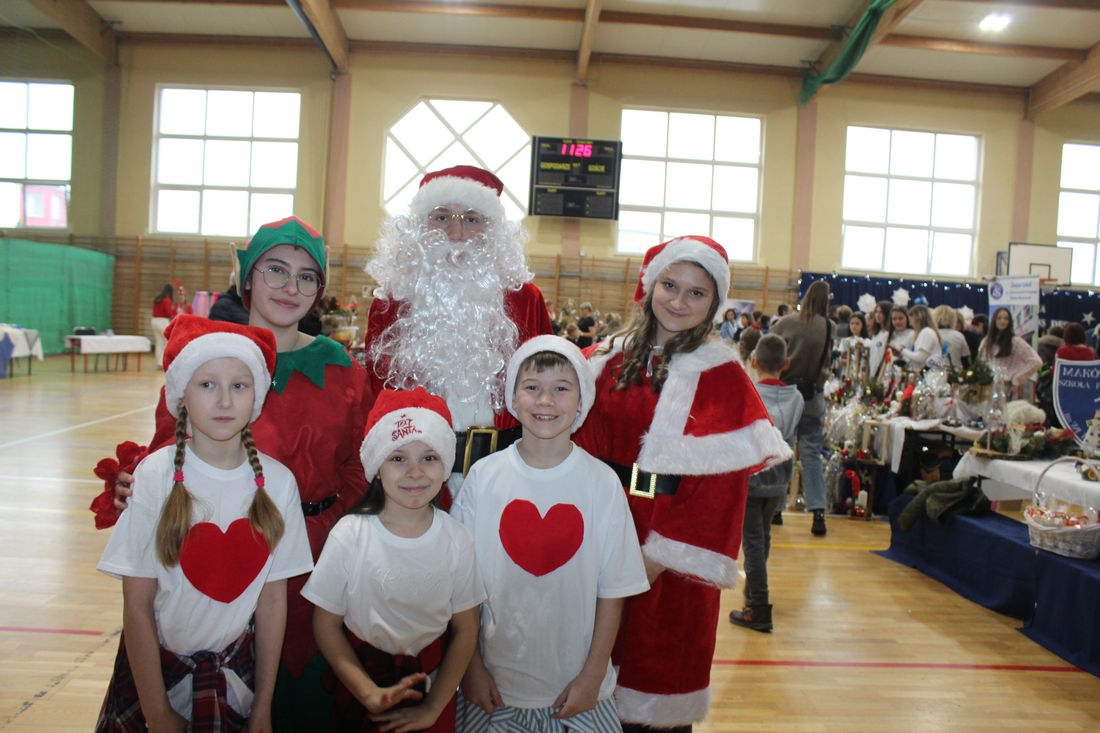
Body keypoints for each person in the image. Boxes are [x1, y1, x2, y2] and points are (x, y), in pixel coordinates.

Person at [91, 216, 376, 729]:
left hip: (317, 568)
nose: (291, 287)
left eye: (307, 276)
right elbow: (168, 450)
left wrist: (322, 533)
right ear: (246, 276)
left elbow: (361, 465)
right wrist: (132, 482)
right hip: (207, 583)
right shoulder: (212, 361)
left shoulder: (342, 368)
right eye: (276, 270)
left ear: (321, 290)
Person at [573, 236, 790, 731]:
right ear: (649, 287)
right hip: (597, 537)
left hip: (667, 563)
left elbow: (721, 495)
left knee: (654, 697)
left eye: (697, 293)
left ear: (714, 304)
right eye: (670, 285)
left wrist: (648, 563)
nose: (678, 301)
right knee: (585, 689)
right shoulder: (603, 359)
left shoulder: (724, 375)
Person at [96, 316, 313, 731]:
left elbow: (272, 603)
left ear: (257, 396)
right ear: (182, 396)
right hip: (153, 677)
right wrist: (158, 712)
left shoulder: (279, 484)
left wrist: (264, 708)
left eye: (239, 385)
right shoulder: (155, 477)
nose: (225, 402)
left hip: (236, 682)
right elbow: (137, 605)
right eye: (207, 384)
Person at [454, 335, 648, 732]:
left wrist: (593, 675)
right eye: (532, 388)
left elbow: (613, 592)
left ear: (582, 400)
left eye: (561, 389)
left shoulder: (602, 483)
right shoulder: (484, 477)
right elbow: (461, 585)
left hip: (578, 691)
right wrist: (470, 667)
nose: (545, 401)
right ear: (513, 396)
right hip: (493, 690)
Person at [304, 389, 483, 733]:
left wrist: (433, 708)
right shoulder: (350, 534)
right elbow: (325, 625)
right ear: (376, 466)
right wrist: (367, 692)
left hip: (435, 689)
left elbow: (465, 629)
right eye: (398, 459)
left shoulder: (457, 540)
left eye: (429, 458)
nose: (415, 473)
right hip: (360, 688)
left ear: (445, 463)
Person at [365, 165, 553, 493]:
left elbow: (547, 388)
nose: (456, 234)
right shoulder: (392, 300)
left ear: (491, 230)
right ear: (419, 228)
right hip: (412, 483)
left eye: (471, 219)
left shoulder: (525, 299)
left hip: (506, 475)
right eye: (441, 218)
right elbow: (373, 393)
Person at [729, 334, 803, 633]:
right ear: (787, 364)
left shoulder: (749, 391)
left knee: (754, 542)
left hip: (752, 475)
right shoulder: (797, 398)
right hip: (780, 476)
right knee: (764, 536)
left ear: (754, 361)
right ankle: (753, 593)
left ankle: (759, 606)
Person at [771, 279, 833, 537]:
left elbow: (770, 353)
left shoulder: (785, 323)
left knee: (782, 449)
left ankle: (775, 508)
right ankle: (817, 511)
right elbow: (827, 363)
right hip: (812, 395)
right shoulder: (828, 326)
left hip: (785, 393)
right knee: (811, 454)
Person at [980, 307, 1042, 388]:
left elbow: (1036, 361)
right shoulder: (987, 340)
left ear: (1009, 322)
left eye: (1006, 318)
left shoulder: (1015, 341)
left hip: (1008, 385)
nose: (1002, 321)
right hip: (990, 384)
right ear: (994, 320)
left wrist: (1017, 379)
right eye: (999, 318)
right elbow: (982, 362)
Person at [151, 280, 189, 367]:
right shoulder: (166, 300)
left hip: (154, 321)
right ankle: (162, 362)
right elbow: (168, 313)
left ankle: (158, 363)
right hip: (162, 321)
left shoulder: (157, 299)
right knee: (167, 342)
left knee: (159, 342)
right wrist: (175, 313)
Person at [900, 305, 944, 372]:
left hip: (930, 375)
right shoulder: (924, 332)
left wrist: (902, 350)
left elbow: (920, 357)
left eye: (911, 320)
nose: (911, 324)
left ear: (918, 318)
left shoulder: (926, 332)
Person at [932, 305, 969, 370]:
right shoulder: (959, 336)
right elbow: (965, 360)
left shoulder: (931, 335)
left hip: (934, 374)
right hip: (955, 374)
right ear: (953, 319)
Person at [867, 300, 893, 376]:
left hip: (882, 373)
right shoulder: (875, 333)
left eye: (881, 312)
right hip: (872, 370)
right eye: (876, 312)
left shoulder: (888, 333)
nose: (878, 315)